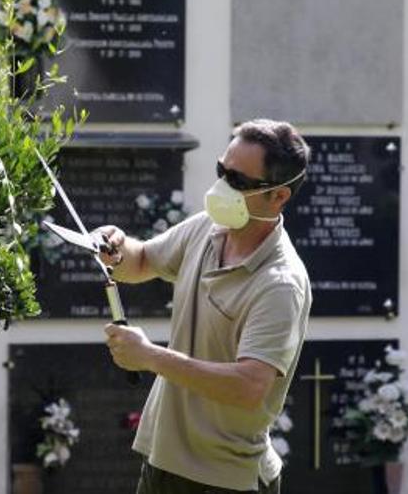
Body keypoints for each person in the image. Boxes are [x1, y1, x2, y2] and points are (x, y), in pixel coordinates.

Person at [99, 119, 312, 494]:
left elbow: (248, 387)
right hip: (161, 461)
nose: (221, 187)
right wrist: (116, 249)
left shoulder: (280, 284)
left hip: (222, 478)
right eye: (222, 171)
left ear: (278, 197)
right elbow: (144, 260)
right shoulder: (206, 228)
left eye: (239, 181)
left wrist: (149, 356)